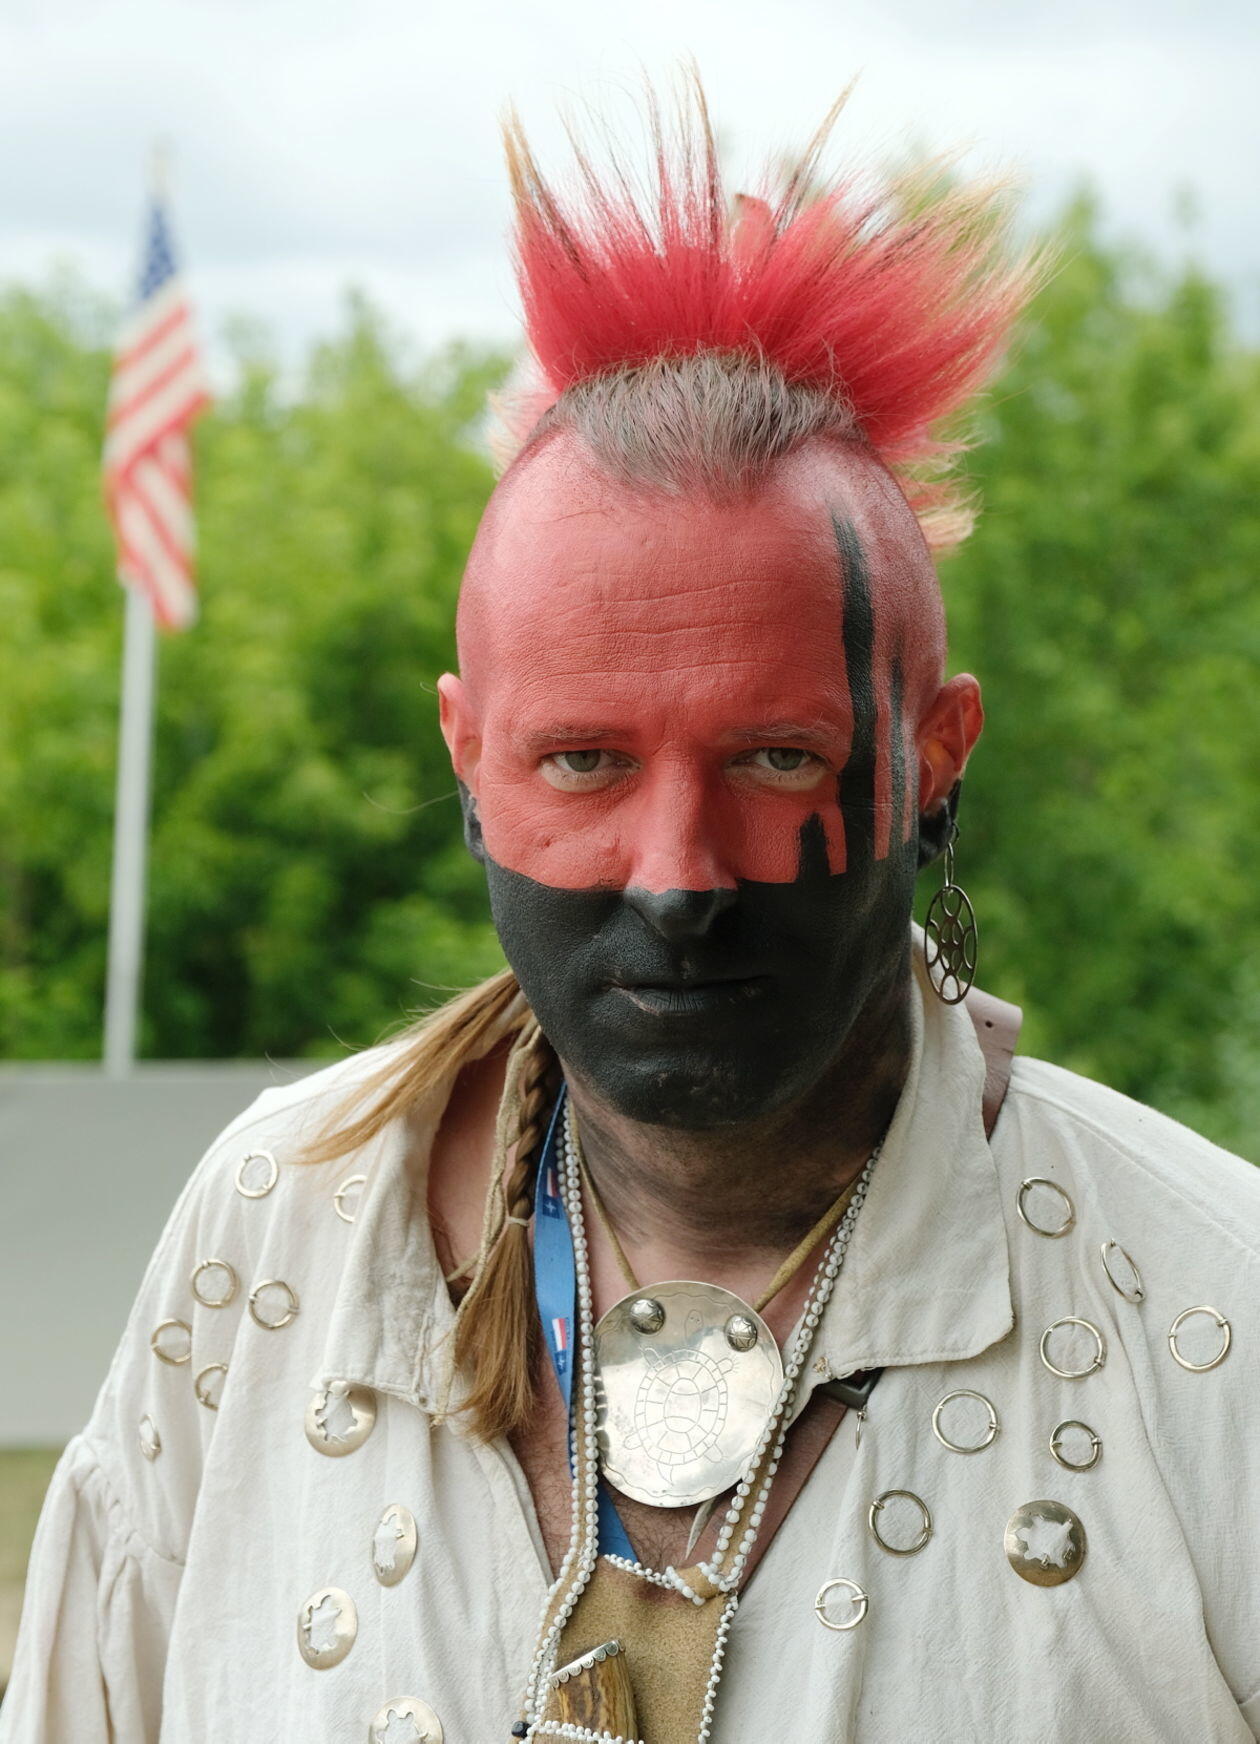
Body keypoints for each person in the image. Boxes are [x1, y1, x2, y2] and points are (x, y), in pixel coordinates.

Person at [5, 77, 1260, 1744]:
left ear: (935, 761)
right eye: (585, 761)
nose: (677, 874)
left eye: (777, 757)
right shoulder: (274, 1234)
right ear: (470, 758)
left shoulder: (1214, 1319)